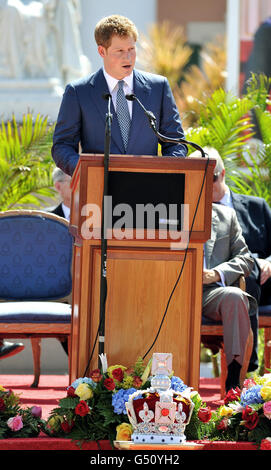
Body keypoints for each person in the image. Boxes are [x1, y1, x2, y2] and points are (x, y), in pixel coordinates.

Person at [51, 14, 187, 176]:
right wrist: (84, 171)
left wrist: (164, 173)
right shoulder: (79, 92)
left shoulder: (159, 87)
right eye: (120, 51)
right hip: (99, 191)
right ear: (102, 51)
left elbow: (176, 142)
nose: (128, 57)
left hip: (150, 192)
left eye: (131, 49)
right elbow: (62, 145)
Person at [203, 203, 258, 392]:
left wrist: (216, 273)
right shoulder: (168, 212)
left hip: (210, 293)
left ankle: (233, 383)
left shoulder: (227, 215)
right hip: (171, 291)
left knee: (235, 296)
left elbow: (246, 260)